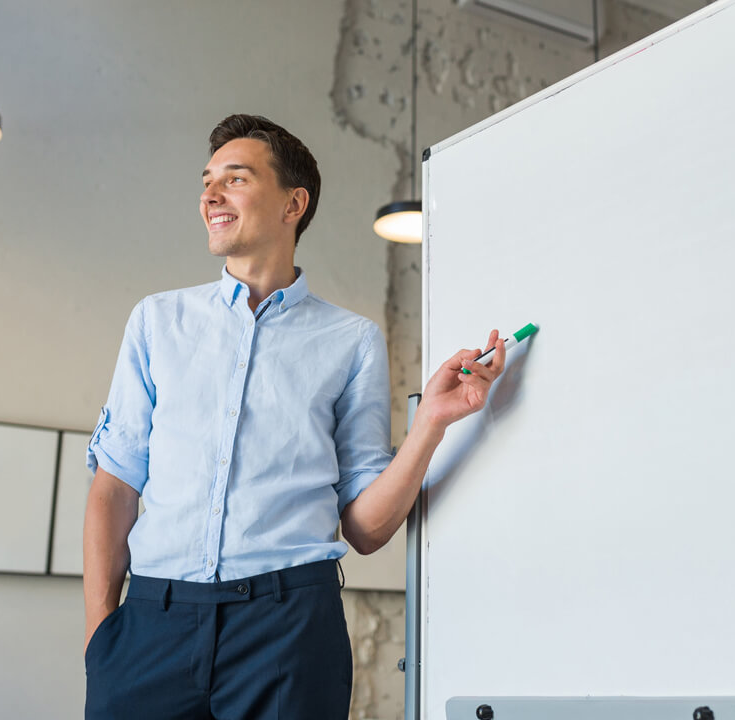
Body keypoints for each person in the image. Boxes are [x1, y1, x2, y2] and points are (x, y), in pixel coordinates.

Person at [81, 114, 506, 720]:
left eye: (235, 178)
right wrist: (101, 640)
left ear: (293, 204)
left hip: (288, 633)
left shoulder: (352, 341)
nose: (210, 195)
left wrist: (431, 423)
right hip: (150, 629)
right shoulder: (156, 322)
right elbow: (115, 487)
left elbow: (366, 529)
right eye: (207, 181)